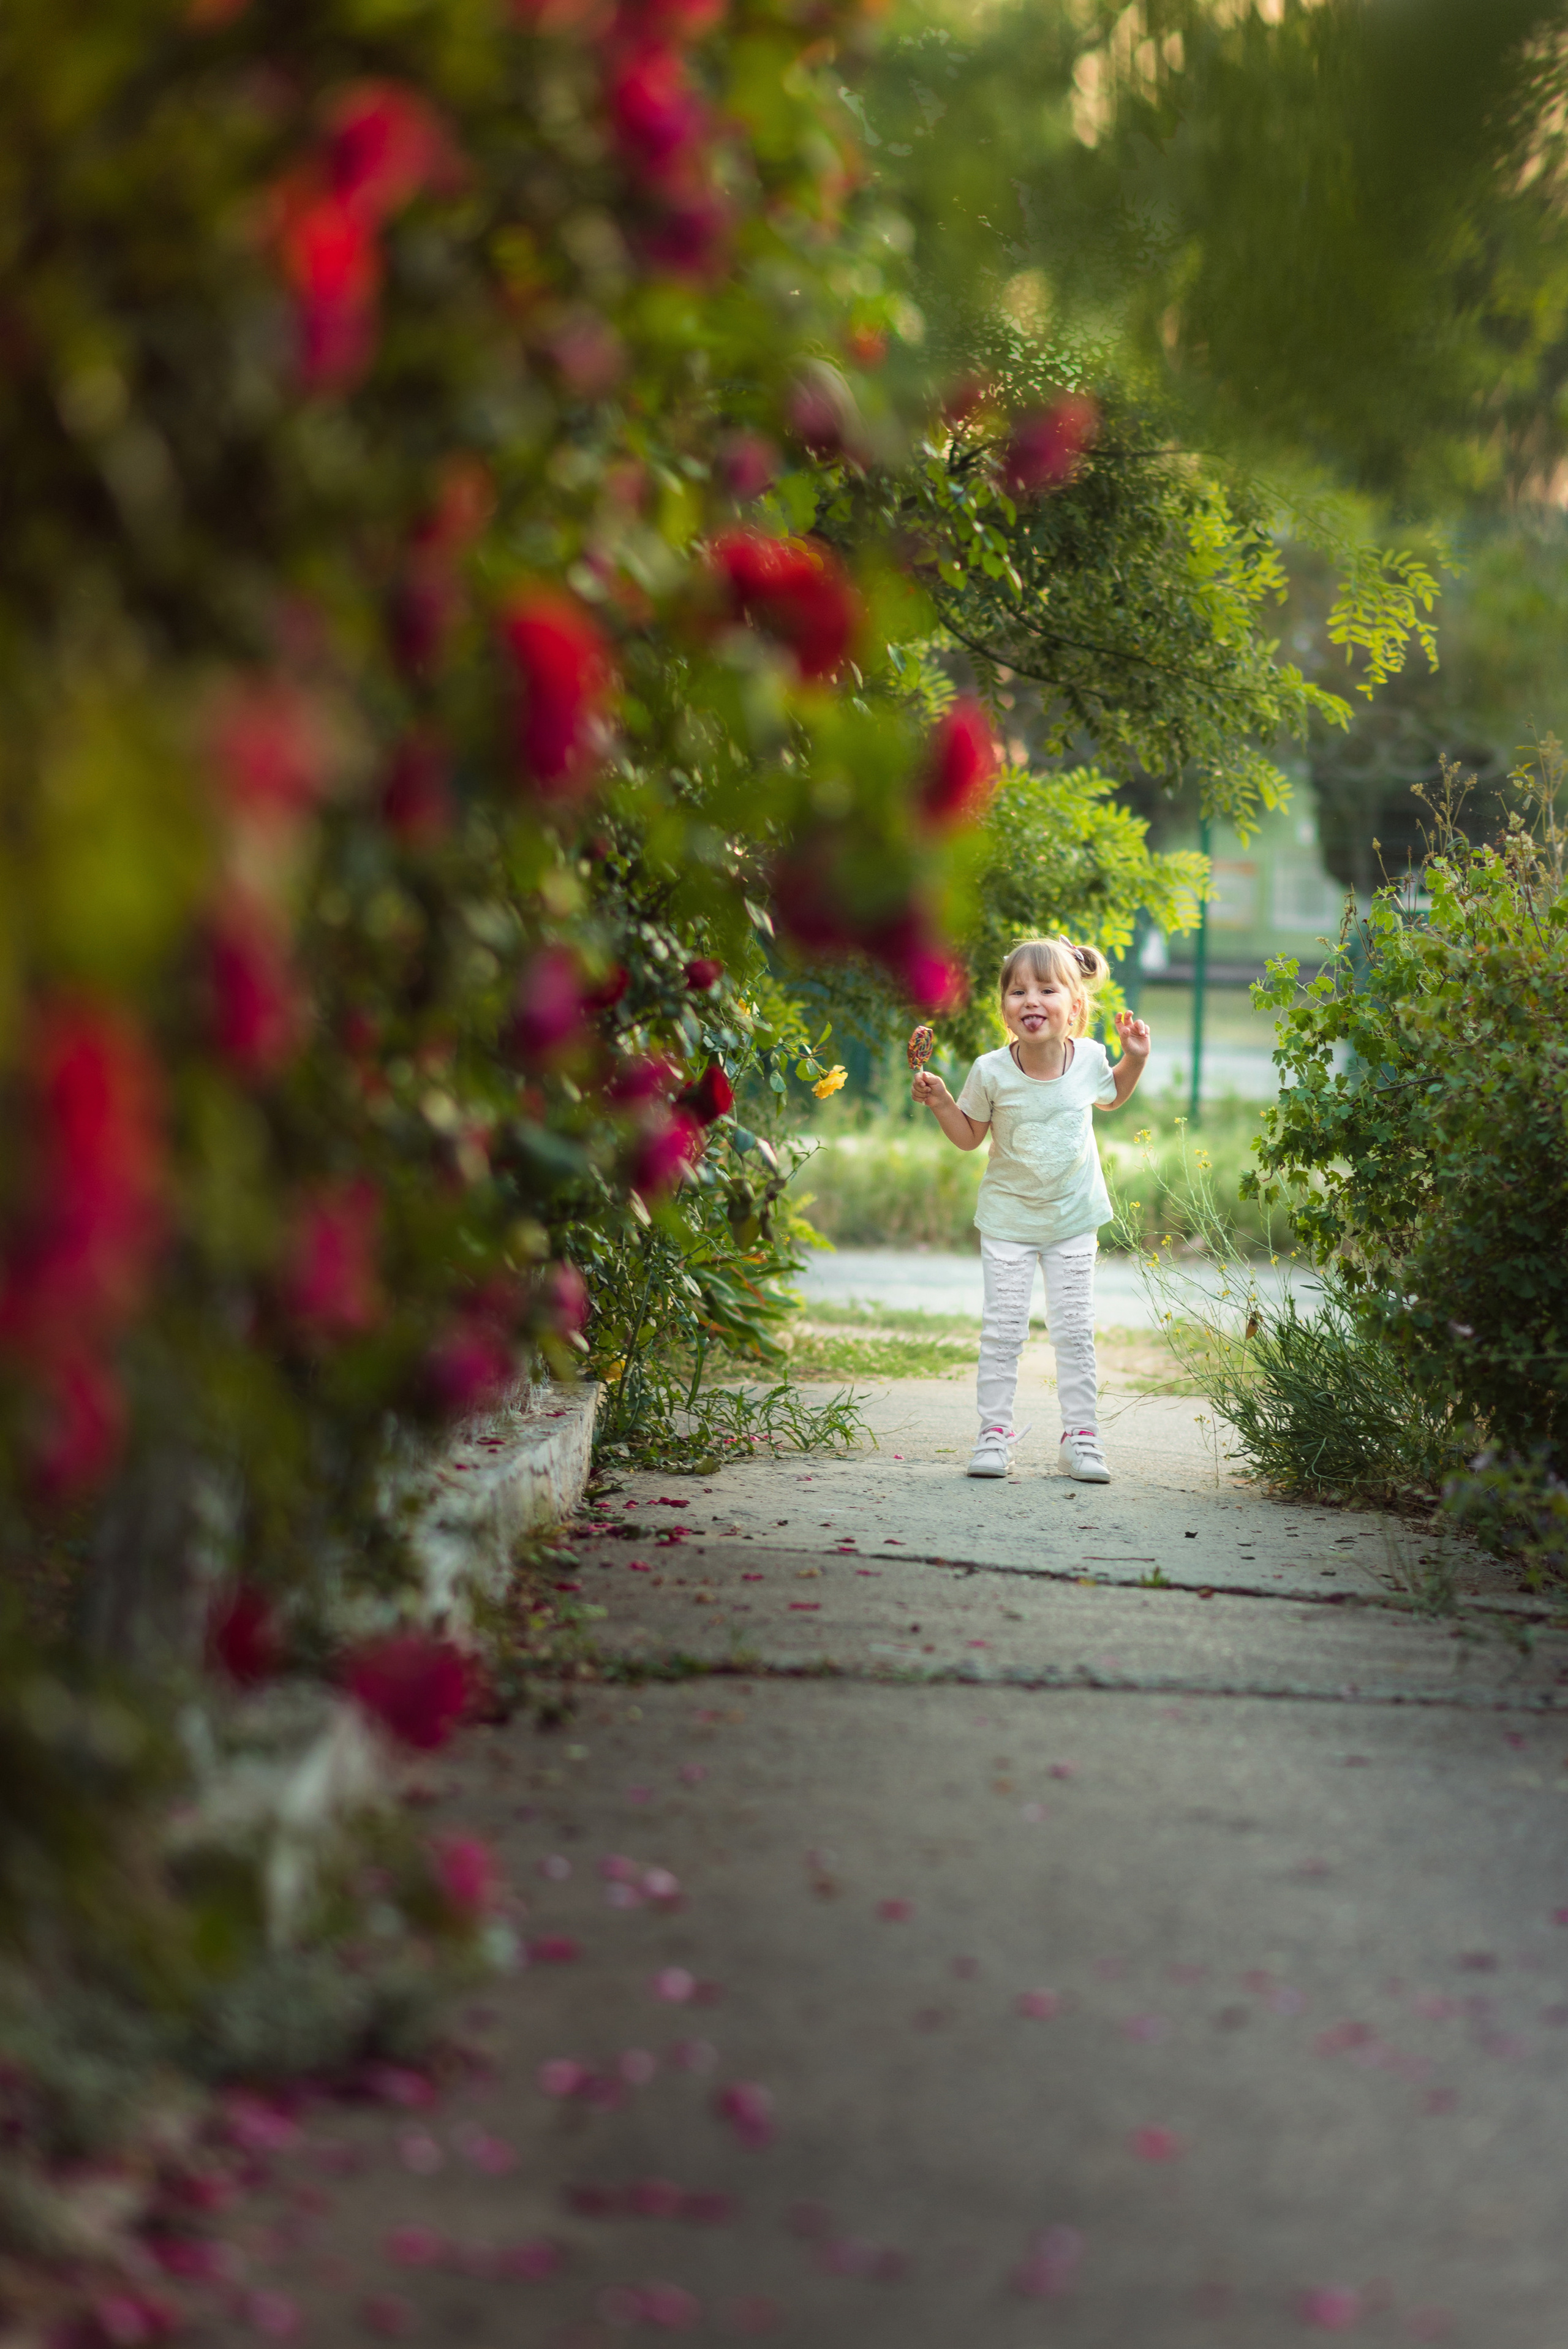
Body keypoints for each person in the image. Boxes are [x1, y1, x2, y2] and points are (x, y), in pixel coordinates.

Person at [911, 936, 1150, 1482]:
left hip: (1072, 1221)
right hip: (1009, 1223)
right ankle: (993, 1435)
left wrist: (1134, 1059)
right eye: (1018, 991)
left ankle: (1081, 1439)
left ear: (1075, 1005)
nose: (1031, 1000)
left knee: (1073, 1331)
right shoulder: (991, 1071)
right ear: (1004, 1008)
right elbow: (970, 1137)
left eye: (1047, 989)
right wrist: (944, 1102)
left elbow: (1112, 1096)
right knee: (1003, 1331)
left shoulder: (1088, 1057)